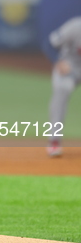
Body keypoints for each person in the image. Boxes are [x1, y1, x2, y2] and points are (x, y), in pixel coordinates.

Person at [44, 16, 81, 157]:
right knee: (61, 91)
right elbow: (49, 44)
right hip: (68, 67)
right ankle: (54, 141)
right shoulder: (75, 27)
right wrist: (57, 62)